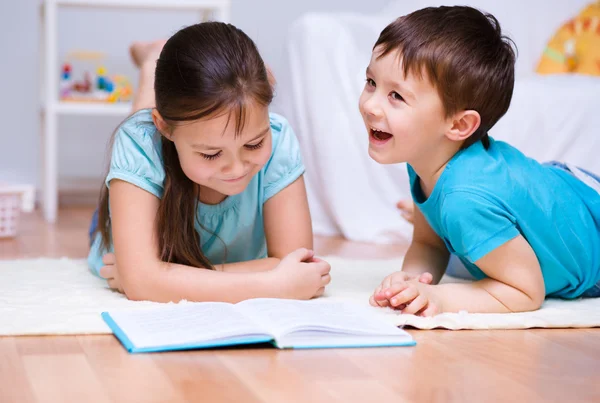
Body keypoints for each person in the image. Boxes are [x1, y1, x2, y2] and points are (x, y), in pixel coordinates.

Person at [361, 6, 600, 316]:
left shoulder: (464, 200)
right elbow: (428, 244)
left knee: (469, 238)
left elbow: (526, 290)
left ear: (459, 126)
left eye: (396, 96)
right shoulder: (425, 159)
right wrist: (411, 280)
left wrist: (442, 299)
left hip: (590, 224)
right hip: (567, 192)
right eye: (371, 82)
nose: (370, 105)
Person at [87, 22, 331, 303]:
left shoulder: (279, 136)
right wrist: (274, 284)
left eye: (254, 144)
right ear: (165, 127)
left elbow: (296, 263)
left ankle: (156, 57)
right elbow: (142, 281)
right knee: (138, 125)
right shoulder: (140, 144)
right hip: (126, 206)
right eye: (211, 154)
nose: (237, 168)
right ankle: (151, 62)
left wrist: (157, 278)